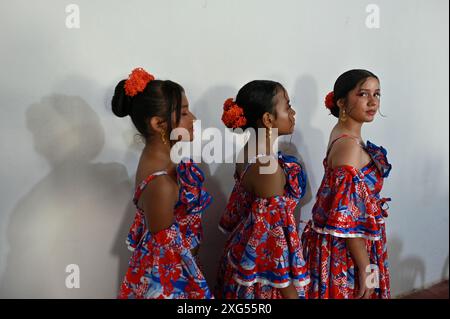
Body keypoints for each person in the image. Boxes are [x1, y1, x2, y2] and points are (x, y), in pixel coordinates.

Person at [114, 68, 213, 299]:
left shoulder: (163, 162)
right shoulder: (161, 185)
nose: (194, 119)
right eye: (185, 113)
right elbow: (164, 269)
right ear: (159, 124)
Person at [302, 69, 392, 299]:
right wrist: (366, 269)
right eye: (363, 94)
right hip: (350, 251)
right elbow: (347, 219)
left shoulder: (345, 134)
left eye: (377, 94)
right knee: (363, 292)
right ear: (342, 102)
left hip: (355, 242)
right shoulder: (349, 146)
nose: (373, 102)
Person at [216, 80, 310, 299]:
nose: (293, 113)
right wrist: (291, 294)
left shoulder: (250, 152)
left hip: (243, 253)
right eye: (287, 106)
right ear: (268, 119)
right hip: (264, 274)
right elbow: (273, 245)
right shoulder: (266, 168)